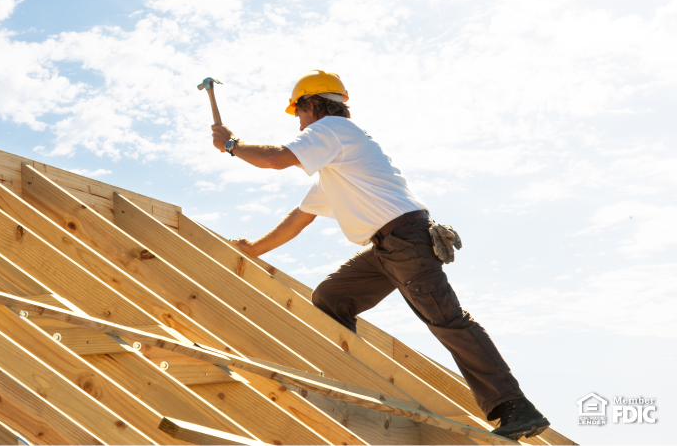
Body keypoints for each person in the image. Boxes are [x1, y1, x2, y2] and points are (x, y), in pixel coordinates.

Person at [209, 69, 550, 441]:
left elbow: (276, 159)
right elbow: (299, 219)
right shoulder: (339, 163)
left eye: (299, 112)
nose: (299, 122)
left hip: (405, 240)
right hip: (389, 246)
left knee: (447, 321)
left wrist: (231, 145)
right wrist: (254, 250)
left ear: (311, 105)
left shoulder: (332, 132)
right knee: (331, 298)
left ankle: (516, 407)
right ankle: (352, 377)